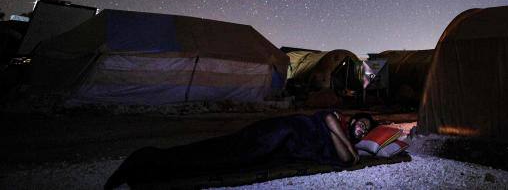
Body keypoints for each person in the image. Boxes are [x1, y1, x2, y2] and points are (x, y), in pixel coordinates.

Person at [104, 110, 376, 189]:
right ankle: (145, 158)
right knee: (228, 152)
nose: (361, 129)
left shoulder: (347, 143)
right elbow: (326, 118)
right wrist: (351, 152)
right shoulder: (338, 118)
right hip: (284, 131)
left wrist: (351, 152)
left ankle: (148, 164)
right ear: (352, 120)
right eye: (361, 123)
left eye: (365, 129)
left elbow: (345, 160)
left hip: (287, 147)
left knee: (226, 160)